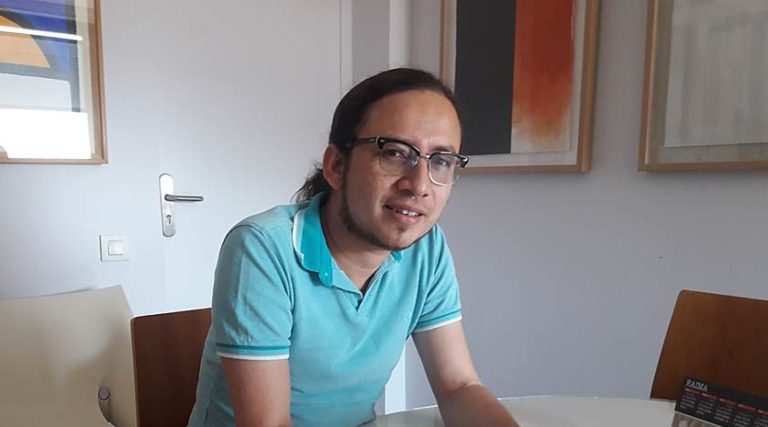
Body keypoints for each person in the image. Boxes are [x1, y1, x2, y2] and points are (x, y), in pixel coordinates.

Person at [188, 68, 518, 427]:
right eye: (395, 153)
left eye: (440, 161)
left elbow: (458, 386)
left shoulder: (426, 248)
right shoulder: (263, 248)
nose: (420, 185)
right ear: (336, 166)